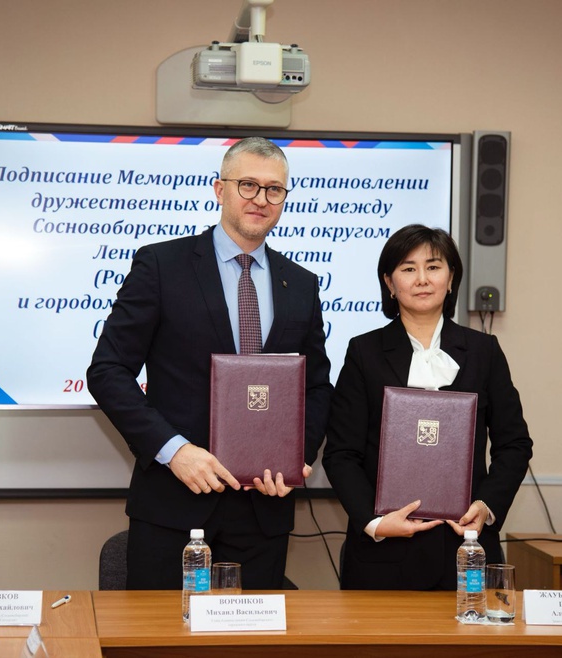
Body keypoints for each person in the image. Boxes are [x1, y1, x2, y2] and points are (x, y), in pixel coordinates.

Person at [87, 137, 333, 590]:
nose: (261, 199)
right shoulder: (161, 265)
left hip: (263, 512)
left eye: (274, 189)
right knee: (159, 631)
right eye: (248, 185)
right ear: (220, 190)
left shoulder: (301, 283)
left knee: (254, 633)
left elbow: (316, 387)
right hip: (173, 502)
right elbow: (107, 371)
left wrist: (297, 457)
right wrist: (174, 450)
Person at [322, 224, 532, 590]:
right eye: (408, 268)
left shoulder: (484, 351)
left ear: (451, 279)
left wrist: (486, 505)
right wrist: (374, 522)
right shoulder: (364, 352)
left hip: (466, 549)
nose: (422, 279)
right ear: (390, 283)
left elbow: (514, 444)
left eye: (433, 267)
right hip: (383, 555)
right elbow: (341, 453)